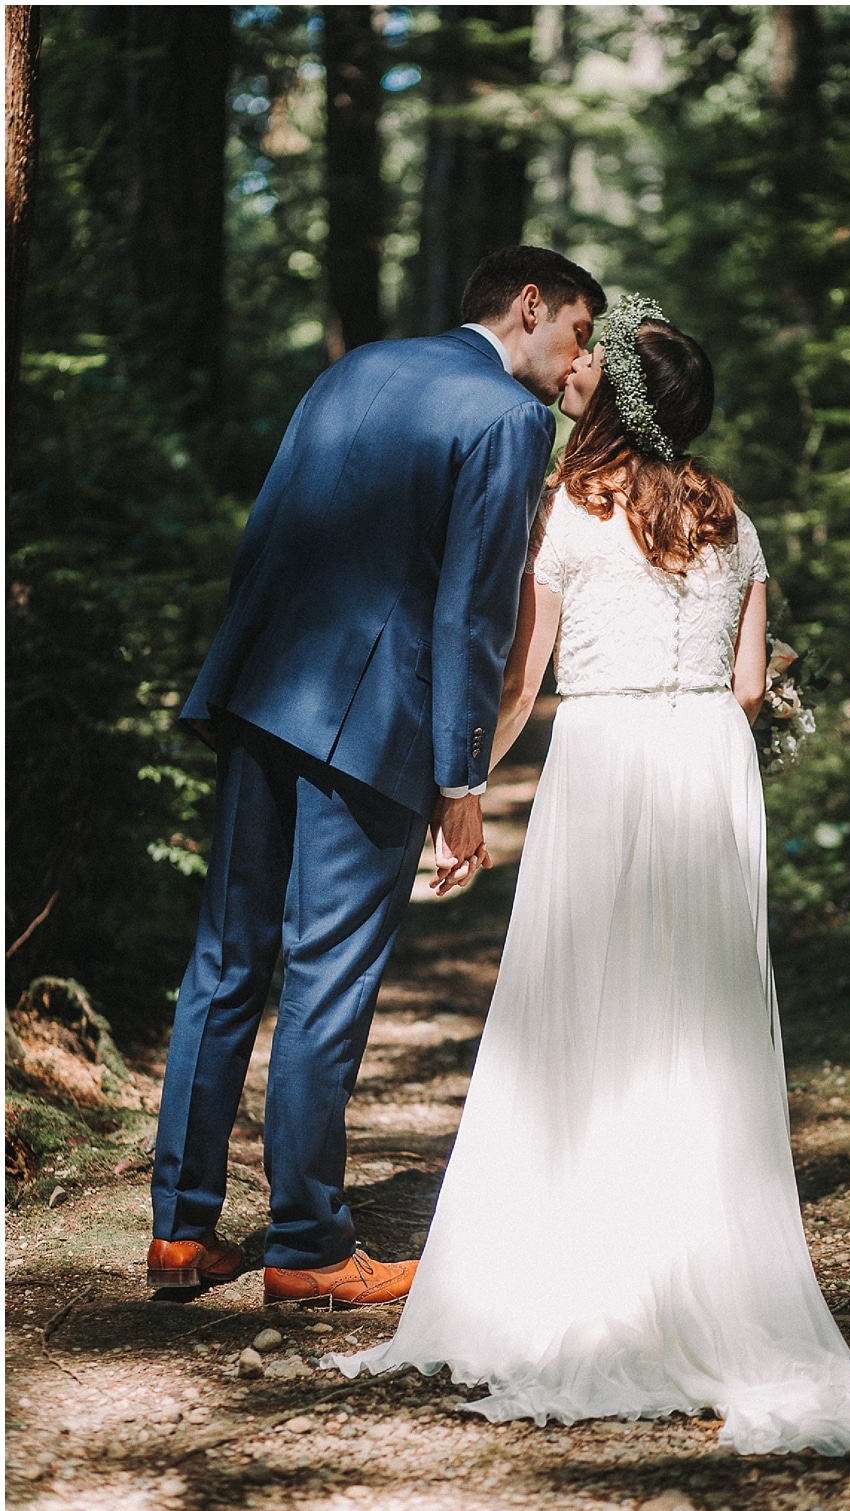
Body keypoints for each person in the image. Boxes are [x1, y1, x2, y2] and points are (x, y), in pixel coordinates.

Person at [325, 297, 850, 1457]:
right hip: (705, 764)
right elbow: (748, 688)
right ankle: (699, 1250)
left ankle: (580, 1243)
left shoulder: (566, 513)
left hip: (604, 758)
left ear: (620, 405)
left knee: (584, 995)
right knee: (702, 1009)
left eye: (595, 370)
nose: (575, 372)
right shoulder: (731, 517)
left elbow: (521, 679)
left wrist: (459, 796)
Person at [149, 248, 604, 1305]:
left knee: (226, 959)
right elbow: (472, 610)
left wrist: (235, 674)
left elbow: (270, 530)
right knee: (323, 978)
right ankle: (307, 1244)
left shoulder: (352, 372)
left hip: (259, 691)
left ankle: (181, 1230)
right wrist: (461, 779)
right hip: (371, 727)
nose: (579, 356)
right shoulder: (505, 419)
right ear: (528, 307)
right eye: (579, 329)